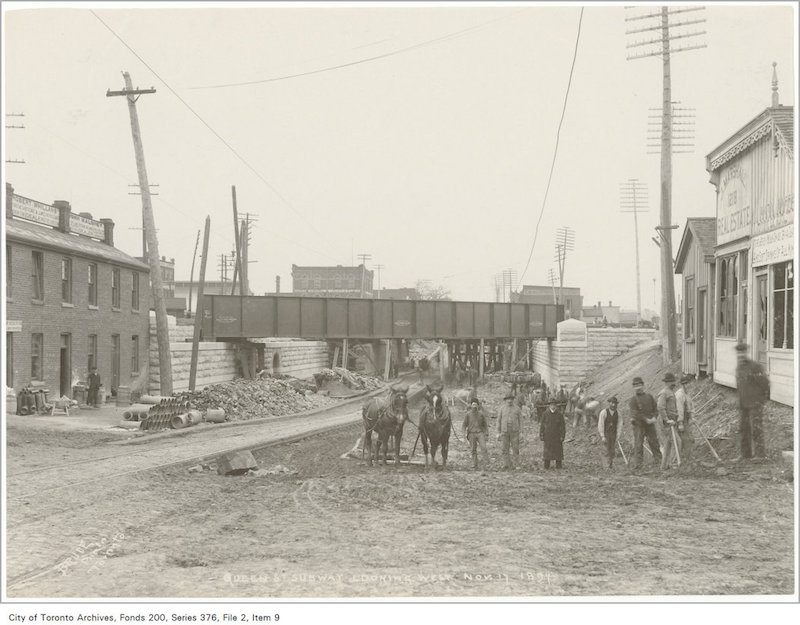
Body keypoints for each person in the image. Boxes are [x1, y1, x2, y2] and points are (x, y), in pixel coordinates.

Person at [735, 343, 770, 459]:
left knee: (756, 429)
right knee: (744, 429)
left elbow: (765, 383)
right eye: (739, 353)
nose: (740, 355)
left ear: (746, 352)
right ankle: (745, 455)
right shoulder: (739, 368)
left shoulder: (755, 367)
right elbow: (740, 386)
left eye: (743, 352)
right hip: (743, 404)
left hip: (755, 403)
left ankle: (760, 455)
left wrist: (762, 400)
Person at [629, 376, 662, 470]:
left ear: (643, 385)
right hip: (639, 425)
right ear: (633, 388)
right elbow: (634, 413)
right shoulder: (633, 400)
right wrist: (645, 419)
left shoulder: (649, 397)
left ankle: (659, 462)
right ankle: (639, 465)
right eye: (636, 386)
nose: (638, 387)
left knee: (654, 442)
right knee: (638, 444)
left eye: (639, 385)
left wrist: (654, 418)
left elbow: (656, 409)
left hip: (650, 424)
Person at [657, 373, 680, 470]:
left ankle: (664, 466)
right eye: (671, 382)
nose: (673, 383)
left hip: (672, 421)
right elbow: (660, 407)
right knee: (677, 442)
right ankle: (673, 463)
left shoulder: (671, 392)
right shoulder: (664, 393)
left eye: (673, 381)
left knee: (668, 444)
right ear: (666, 382)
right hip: (666, 422)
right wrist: (667, 420)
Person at [497, 393, 522, 470]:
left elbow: (521, 421)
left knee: (515, 448)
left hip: (514, 431)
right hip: (504, 431)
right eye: (508, 399)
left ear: (513, 400)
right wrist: (498, 432)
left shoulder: (517, 409)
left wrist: (521, 432)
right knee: (505, 448)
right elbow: (498, 421)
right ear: (505, 400)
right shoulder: (502, 409)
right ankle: (506, 464)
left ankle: (516, 464)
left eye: (511, 399)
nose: (509, 401)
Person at [674, 373, 696, 463]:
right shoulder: (679, 395)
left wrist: (692, 417)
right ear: (682, 385)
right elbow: (679, 410)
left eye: (689, 383)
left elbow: (690, 406)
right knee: (686, 439)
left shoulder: (687, 394)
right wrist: (680, 423)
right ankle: (687, 459)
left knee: (689, 438)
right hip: (680, 420)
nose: (688, 386)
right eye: (685, 384)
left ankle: (687, 457)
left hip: (686, 419)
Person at [462, 400, 489, 470]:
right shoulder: (468, 414)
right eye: (473, 404)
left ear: (478, 405)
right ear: (471, 405)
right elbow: (464, 425)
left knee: (484, 448)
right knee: (473, 449)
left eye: (475, 405)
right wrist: (463, 435)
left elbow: (485, 425)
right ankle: (475, 464)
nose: (474, 406)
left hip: (480, 433)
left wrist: (486, 434)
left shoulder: (481, 414)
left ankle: (486, 464)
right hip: (471, 434)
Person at [597, 396, 622, 469]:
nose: (613, 405)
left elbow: (619, 425)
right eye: (612, 403)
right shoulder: (604, 412)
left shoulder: (618, 414)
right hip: (605, 433)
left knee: (612, 450)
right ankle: (605, 466)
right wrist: (602, 436)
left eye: (615, 403)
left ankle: (610, 465)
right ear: (609, 403)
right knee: (605, 449)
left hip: (613, 434)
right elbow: (600, 424)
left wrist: (618, 435)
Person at [540, 397, 565, 469]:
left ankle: (559, 465)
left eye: (554, 405)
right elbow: (542, 425)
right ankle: (546, 466)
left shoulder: (559, 414)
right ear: (549, 405)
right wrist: (541, 435)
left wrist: (562, 436)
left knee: (558, 451)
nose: (553, 406)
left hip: (557, 436)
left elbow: (563, 426)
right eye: (551, 404)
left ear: (556, 406)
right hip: (548, 436)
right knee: (547, 451)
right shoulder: (545, 414)